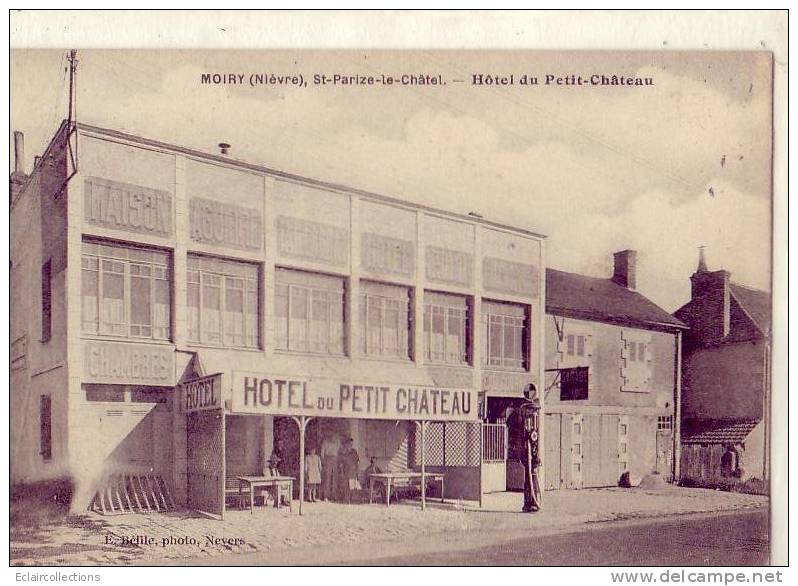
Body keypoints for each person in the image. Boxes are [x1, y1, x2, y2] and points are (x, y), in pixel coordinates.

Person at [515, 384, 541, 513]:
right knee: (529, 478)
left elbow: (534, 435)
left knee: (532, 476)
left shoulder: (535, 429)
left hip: (533, 453)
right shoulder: (523, 413)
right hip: (528, 451)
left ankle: (533, 502)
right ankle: (528, 502)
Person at [320, 432, 341, 501]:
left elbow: (340, 451)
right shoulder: (325, 441)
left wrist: (339, 461)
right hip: (327, 459)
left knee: (335, 478)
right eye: (332, 435)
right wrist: (323, 461)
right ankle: (326, 496)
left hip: (335, 459)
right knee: (327, 478)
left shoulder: (338, 441)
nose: (333, 437)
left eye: (335, 435)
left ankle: (334, 495)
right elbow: (322, 452)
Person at [339, 437, 360, 504]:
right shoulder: (343, 452)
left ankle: (352, 499)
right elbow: (341, 463)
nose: (350, 445)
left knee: (352, 486)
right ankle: (346, 499)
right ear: (346, 444)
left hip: (353, 470)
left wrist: (357, 471)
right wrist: (342, 471)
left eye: (351, 444)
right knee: (346, 485)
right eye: (349, 443)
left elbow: (357, 462)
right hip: (346, 470)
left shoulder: (354, 451)